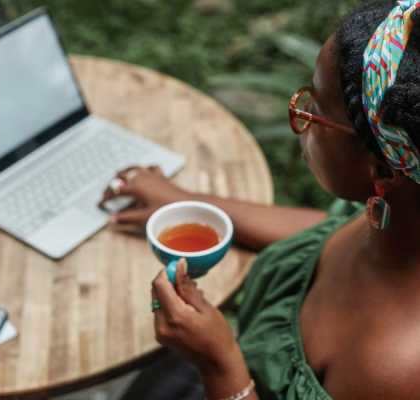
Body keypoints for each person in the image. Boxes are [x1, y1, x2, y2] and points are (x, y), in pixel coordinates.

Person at [100, 1, 420, 398]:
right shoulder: (398, 218)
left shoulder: (393, 373)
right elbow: (326, 232)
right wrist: (189, 203)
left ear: (384, 169)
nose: (299, 114)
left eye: (315, 109)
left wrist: (220, 365)